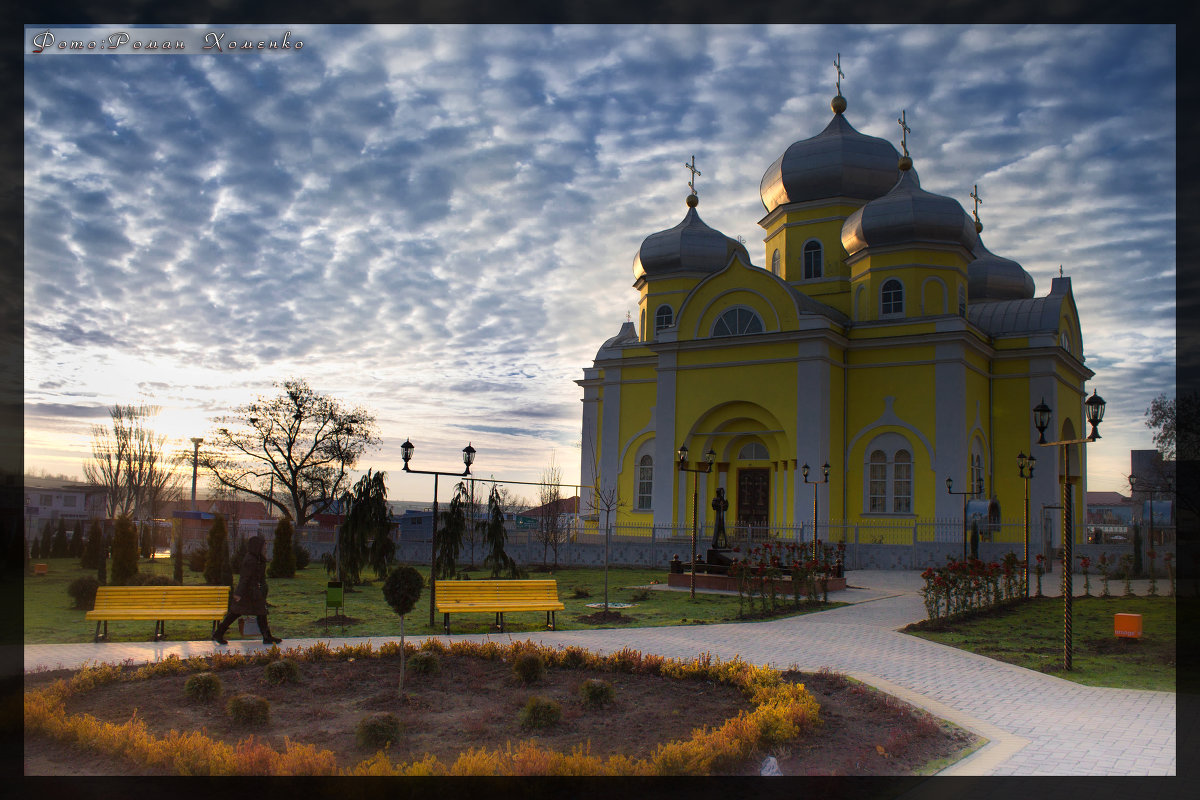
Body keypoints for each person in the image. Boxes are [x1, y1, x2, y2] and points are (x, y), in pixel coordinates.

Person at [212, 535, 282, 645]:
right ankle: (219, 633)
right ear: (257, 546)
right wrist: (238, 593)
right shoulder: (250, 560)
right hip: (247, 593)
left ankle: (267, 636)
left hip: (254, 592)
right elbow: (244, 578)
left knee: (260, 613)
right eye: (263, 546)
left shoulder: (258, 559)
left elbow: (260, 578)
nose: (265, 548)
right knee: (236, 613)